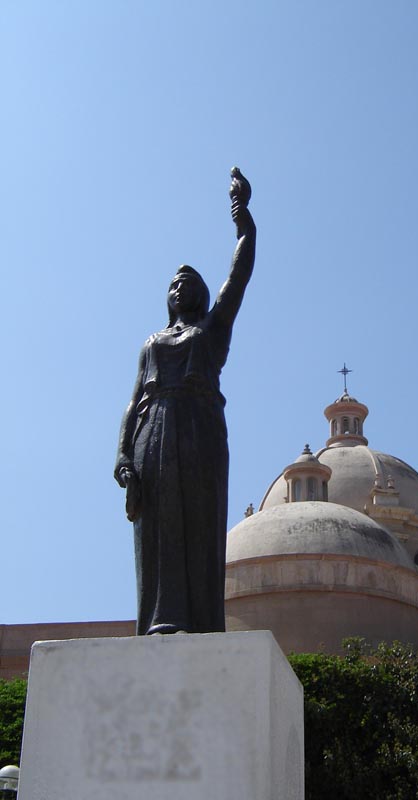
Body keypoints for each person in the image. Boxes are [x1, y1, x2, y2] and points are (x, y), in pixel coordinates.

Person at [114, 168, 256, 635]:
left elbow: (238, 275)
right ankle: (159, 620)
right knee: (157, 528)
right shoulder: (151, 342)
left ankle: (198, 622)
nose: (181, 285)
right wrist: (121, 455)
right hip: (152, 433)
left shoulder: (212, 330)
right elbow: (135, 400)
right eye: (174, 283)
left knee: (197, 520)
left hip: (199, 427)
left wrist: (243, 220)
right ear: (168, 298)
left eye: (189, 281)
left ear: (199, 295)